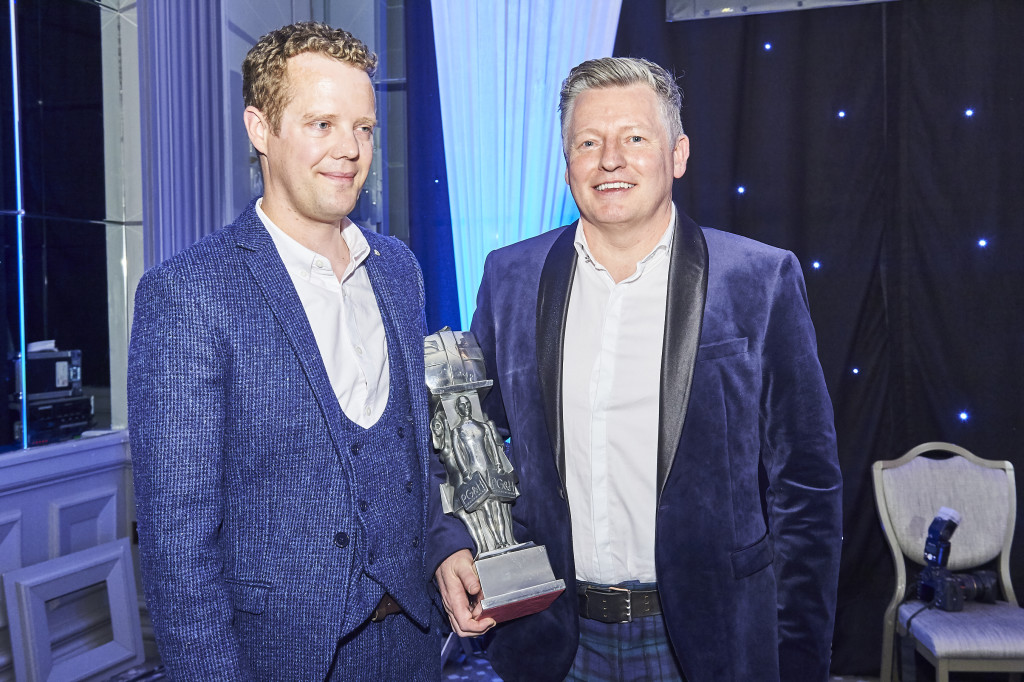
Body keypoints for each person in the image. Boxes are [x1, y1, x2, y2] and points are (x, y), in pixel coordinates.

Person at [429, 57, 842, 682]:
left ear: (677, 154)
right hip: (552, 641)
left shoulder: (758, 279)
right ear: (567, 161)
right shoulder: (510, 277)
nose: (610, 160)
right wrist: (450, 540)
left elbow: (807, 486)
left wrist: (799, 657)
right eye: (588, 142)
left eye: (635, 138)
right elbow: (457, 437)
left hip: (711, 645)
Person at [128, 22, 442, 681]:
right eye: (321, 124)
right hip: (284, 658)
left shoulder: (398, 271)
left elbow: (416, 457)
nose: (349, 149)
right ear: (260, 128)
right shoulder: (188, 292)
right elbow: (177, 552)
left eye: (363, 127)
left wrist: (448, 547)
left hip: (417, 644)